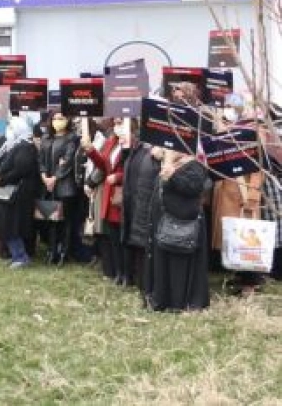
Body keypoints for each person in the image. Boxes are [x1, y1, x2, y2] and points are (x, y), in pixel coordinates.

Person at [145, 150, 211, 312]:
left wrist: (172, 174)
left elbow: (193, 187)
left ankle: (178, 302)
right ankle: (161, 299)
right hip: (164, 223)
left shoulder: (195, 165)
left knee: (178, 266)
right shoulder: (169, 164)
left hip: (183, 225)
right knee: (163, 263)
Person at [0, 117, 41, 268]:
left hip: (18, 194)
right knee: (6, 225)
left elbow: (20, 169)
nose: (9, 130)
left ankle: (21, 256)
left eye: (12, 127)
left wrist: (2, 180)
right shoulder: (14, 145)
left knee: (12, 225)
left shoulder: (25, 147)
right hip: (12, 193)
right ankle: (16, 255)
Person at [211, 168, 266, 296]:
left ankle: (251, 282)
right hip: (226, 194)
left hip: (242, 197)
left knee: (247, 243)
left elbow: (258, 170)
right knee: (234, 242)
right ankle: (241, 276)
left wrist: (253, 196)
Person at [83, 118, 124, 282]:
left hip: (122, 194)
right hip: (109, 194)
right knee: (111, 235)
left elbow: (131, 167)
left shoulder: (133, 144)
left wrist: (118, 176)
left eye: (121, 123)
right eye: (116, 123)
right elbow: (103, 165)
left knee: (120, 236)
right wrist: (91, 151)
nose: (117, 126)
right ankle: (114, 271)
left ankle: (124, 273)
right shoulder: (111, 142)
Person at [39, 111, 81, 265]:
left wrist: (55, 177)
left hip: (65, 186)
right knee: (51, 220)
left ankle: (64, 251)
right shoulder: (46, 138)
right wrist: (44, 176)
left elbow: (68, 161)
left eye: (61, 118)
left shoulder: (72, 138)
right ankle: (51, 251)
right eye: (55, 118)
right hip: (48, 185)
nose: (57, 121)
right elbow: (41, 160)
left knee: (65, 221)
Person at [121, 133, 161, 291]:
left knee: (146, 244)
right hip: (136, 202)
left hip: (150, 204)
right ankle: (138, 279)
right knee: (137, 242)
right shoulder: (138, 148)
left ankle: (146, 282)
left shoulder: (157, 150)